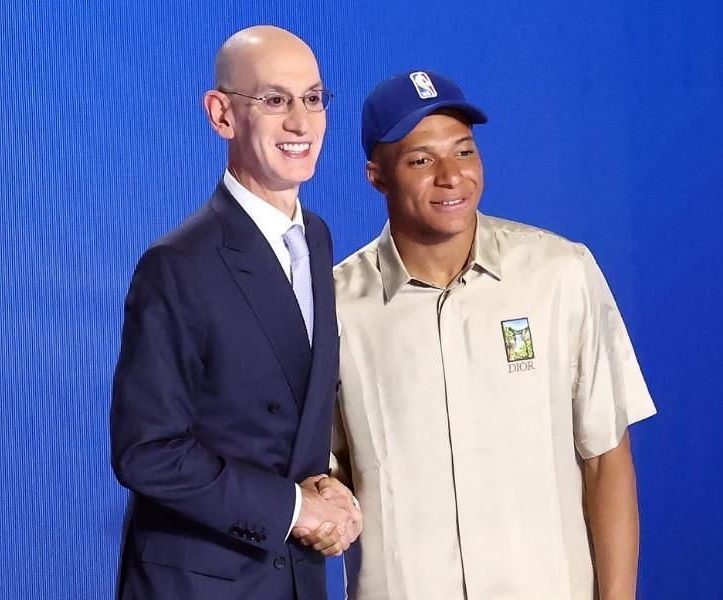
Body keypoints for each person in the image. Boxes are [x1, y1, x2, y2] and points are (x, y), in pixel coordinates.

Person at [329, 70, 657, 599]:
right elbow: (324, 475)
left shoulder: (559, 272)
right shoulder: (335, 307)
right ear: (377, 176)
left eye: (463, 152)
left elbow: (605, 457)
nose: (451, 176)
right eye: (421, 159)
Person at [110, 26, 361, 600]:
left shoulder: (315, 238)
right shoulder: (177, 264)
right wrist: (296, 509)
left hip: (294, 578)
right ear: (222, 115)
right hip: (204, 583)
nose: (301, 122)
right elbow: (146, 452)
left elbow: (283, 411)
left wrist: (326, 482)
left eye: (313, 98)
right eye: (274, 100)